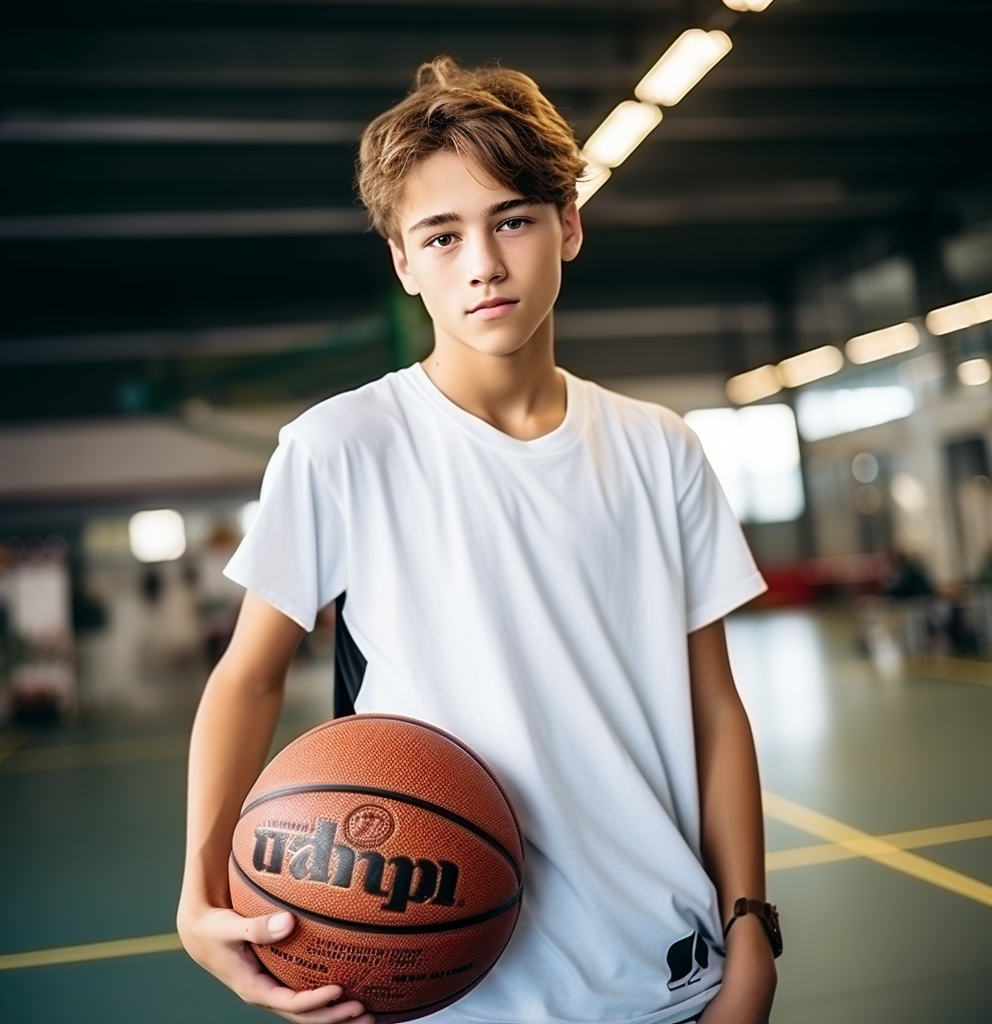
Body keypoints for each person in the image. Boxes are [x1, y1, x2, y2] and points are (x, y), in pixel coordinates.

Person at [177, 57, 779, 1024]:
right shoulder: (339, 447)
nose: (483, 263)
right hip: (452, 987)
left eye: (512, 220)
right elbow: (248, 676)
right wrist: (198, 892)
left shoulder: (660, 448)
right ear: (403, 263)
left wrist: (749, 924)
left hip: (666, 968)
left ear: (569, 226)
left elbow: (715, 705)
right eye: (442, 235)